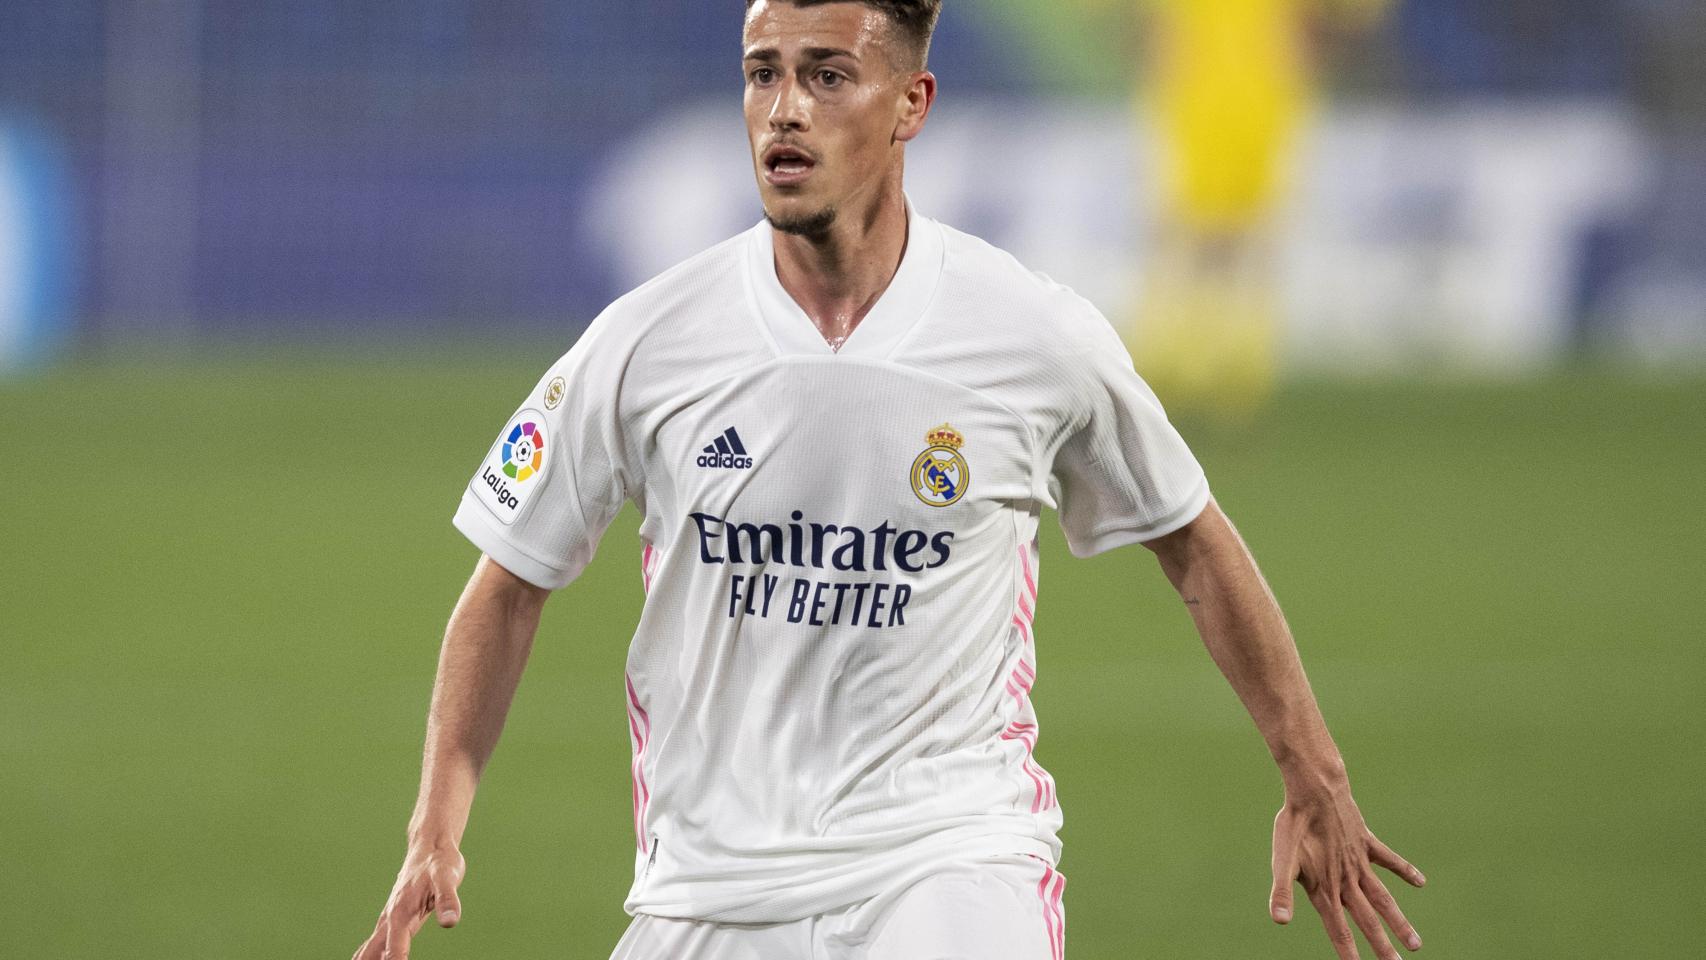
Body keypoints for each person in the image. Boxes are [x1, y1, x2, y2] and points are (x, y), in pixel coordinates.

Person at [352, 2, 1426, 958]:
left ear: (910, 103)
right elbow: (507, 584)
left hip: (950, 862)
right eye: (760, 70)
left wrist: (1313, 774)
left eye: (825, 74)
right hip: (710, 885)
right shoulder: (640, 343)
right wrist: (432, 828)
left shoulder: (1031, 334)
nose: (782, 109)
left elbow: (1190, 540)